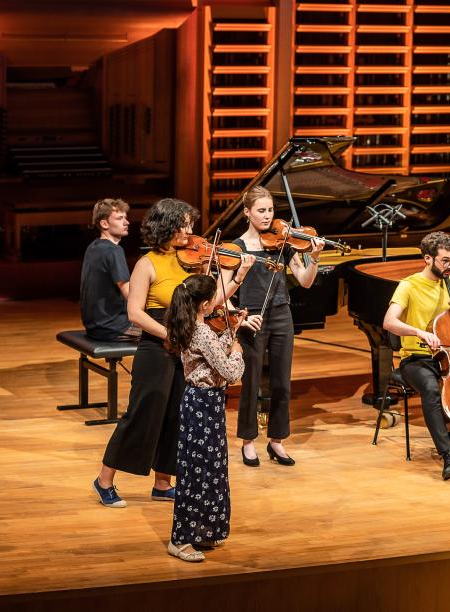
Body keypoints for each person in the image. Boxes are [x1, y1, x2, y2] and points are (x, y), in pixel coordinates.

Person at [93, 198, 255, 508]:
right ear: (169, 226)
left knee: (176, 416)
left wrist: (238, 277)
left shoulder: (192, 262)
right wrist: (170, 335)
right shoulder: (147, 264)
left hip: (185, 350)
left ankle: (163, 483)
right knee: (141, 414)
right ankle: (104, 480)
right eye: (186, 225)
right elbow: (134, 313)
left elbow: (210, 303)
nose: (192, 231)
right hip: (156, 347)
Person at [225, 185, 323, 468]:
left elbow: (305, 280)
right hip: (252, 319)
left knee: (282, 382)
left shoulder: (283, 244)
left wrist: (313, 258)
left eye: (270, 210)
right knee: (251, 383)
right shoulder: (237, 248)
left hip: (282, 315)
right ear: (247, 213)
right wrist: (241, 318)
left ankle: (277, 441)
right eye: (261, 211)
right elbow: (224, 294)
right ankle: (247, 441)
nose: (267, 216)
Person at [163, 274, 248, 562]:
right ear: (205, 304)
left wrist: (230, 331)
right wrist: (238, 352)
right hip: (203, 404)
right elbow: (230, 372)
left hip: (204, 404)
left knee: (209, 469)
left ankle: (201, 531)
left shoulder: (196, 328)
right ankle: (181, 539)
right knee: (196, 472)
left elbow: (211, 351)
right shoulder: (201, 332)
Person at [382, 231, 450, 480]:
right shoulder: (409, 285)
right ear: (427, 258)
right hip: (414, 358)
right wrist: (418, 333)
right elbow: (389, 322)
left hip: (446, 356)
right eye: (445, 260)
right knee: (432, 389)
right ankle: (447, 454)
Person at [79, 198, 139, 341]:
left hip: (94, 327)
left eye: (125, 217)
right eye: (120, 218)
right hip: (115, 327)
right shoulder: (114, 251)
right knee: (168, 331)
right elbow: (130, 296)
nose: (127, 222)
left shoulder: (93, 247)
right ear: (104, 223)